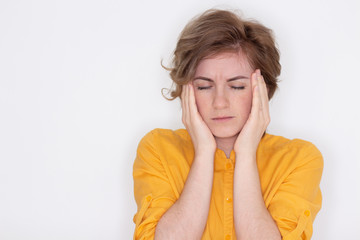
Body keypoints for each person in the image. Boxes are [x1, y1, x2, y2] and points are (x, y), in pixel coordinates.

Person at [132, 8, 323, 240]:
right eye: (204, 86)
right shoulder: (158, 148)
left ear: (263, 89)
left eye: (237, 86)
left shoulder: (300, 159)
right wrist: (203, 152)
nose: (220, 103)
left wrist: (245, 153)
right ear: (186, 90)